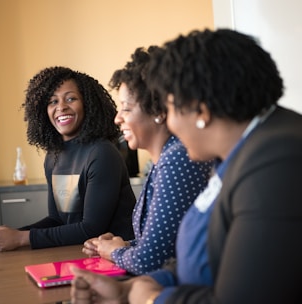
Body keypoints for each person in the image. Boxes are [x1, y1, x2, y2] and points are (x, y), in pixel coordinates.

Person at [70, 28, 302, 304]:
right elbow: (211, 255)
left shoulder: (277, 161)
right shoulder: (240, 153)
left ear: (200, 111)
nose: (169, 123)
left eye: (170, 108)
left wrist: (153, 298)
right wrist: (136, 287)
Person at [82, 47, 213, 275]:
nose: (117, 118)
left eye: (126, 108)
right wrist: (118, 246)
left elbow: (149, 262)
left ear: (158, 111)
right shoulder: (163, 159)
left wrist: (114, 252)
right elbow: (165, 245)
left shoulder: (177, 159)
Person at [0, 66, 136, 251]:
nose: (61, 107)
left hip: (115, 258)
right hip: (74, 251)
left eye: (71, 98)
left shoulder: (101, 153)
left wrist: (21, 238)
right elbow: (57, 220)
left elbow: (91, 228)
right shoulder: (53, 156)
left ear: (87, 104)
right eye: (52, 101)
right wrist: (14, 234)